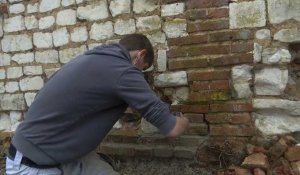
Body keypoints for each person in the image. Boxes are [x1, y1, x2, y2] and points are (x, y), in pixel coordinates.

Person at [6, 34, 189, 175]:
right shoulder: (123, 70)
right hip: (34, 164)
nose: (140, 74)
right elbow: (172, 129)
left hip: (63, 153)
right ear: (140, 55)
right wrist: (184, 120)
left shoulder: (92, 59)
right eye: (143, 68)